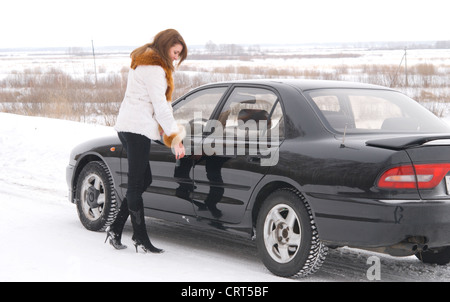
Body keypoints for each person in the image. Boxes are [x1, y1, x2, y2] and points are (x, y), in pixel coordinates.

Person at [104, 29, 188, 253]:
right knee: (136, 185)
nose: (176, 57)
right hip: (137, 129)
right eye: (175, 52)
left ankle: (115, 228)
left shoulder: (146, 60)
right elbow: (160, 105)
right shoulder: (154, 68)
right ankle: (140, 237)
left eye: (179, 54)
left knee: (143, 180)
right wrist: (175, 138)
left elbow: (154, 104)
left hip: (130, 125)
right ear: (165, 45)